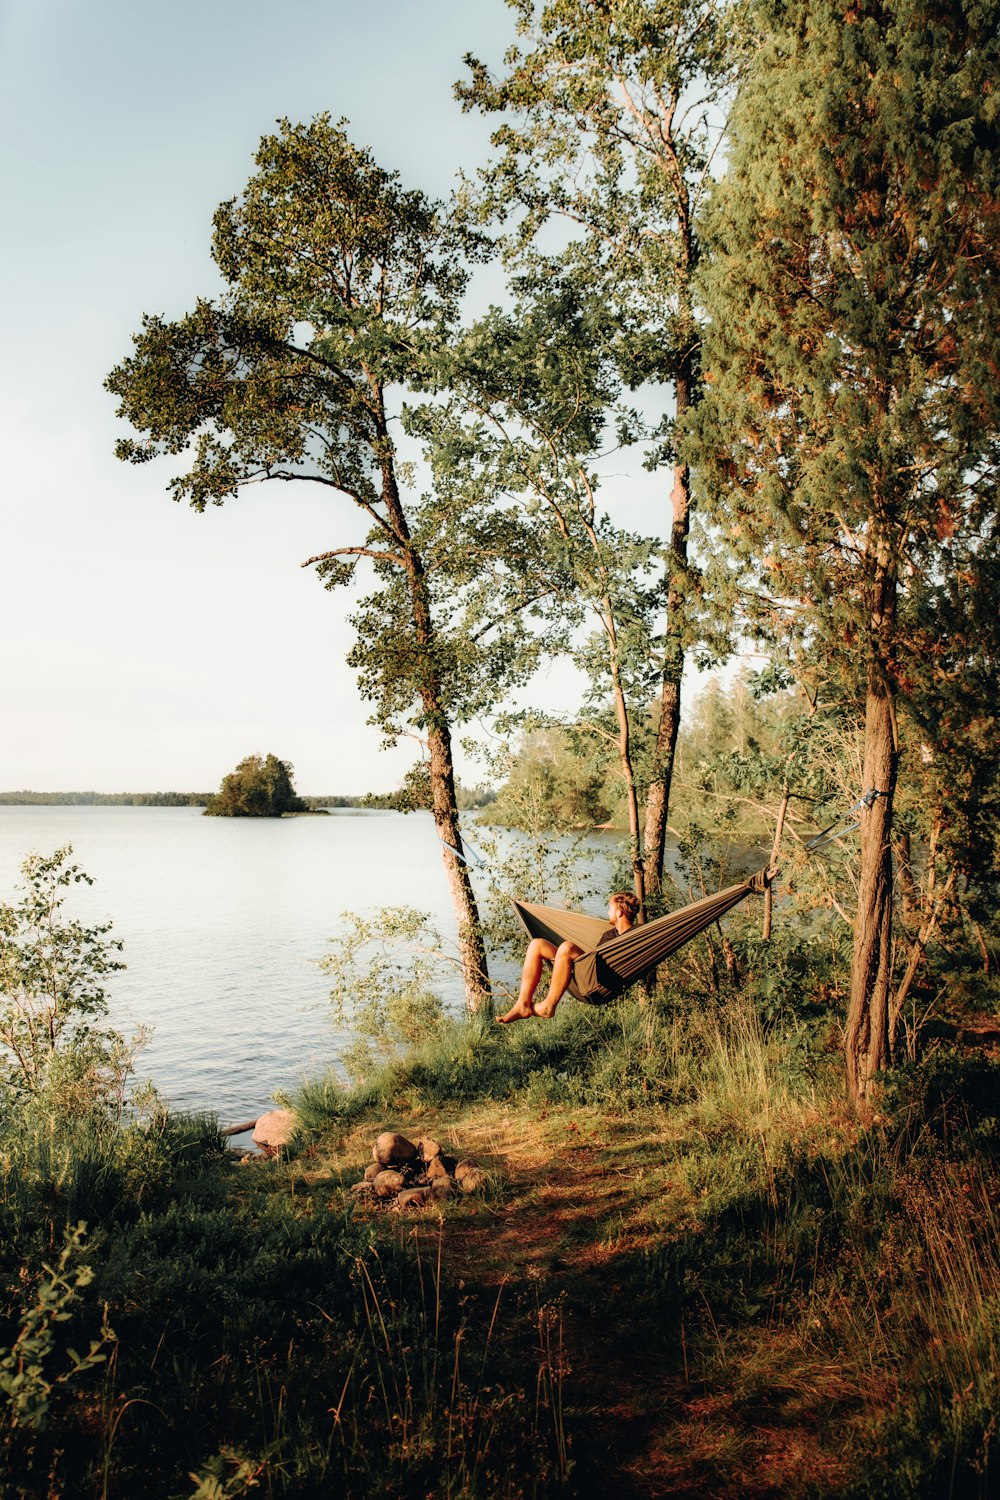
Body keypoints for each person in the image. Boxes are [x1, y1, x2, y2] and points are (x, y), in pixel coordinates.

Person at [497, 891, 641, 1024]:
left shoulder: (637, 933)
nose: (608, 912)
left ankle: (548, 1006)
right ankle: (522, 1004)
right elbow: (593, 958)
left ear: (619, 912)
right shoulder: (609, 934)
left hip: (601, 983)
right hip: (588, 972)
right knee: (537, 944)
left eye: (610, 908)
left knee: (567, 948)